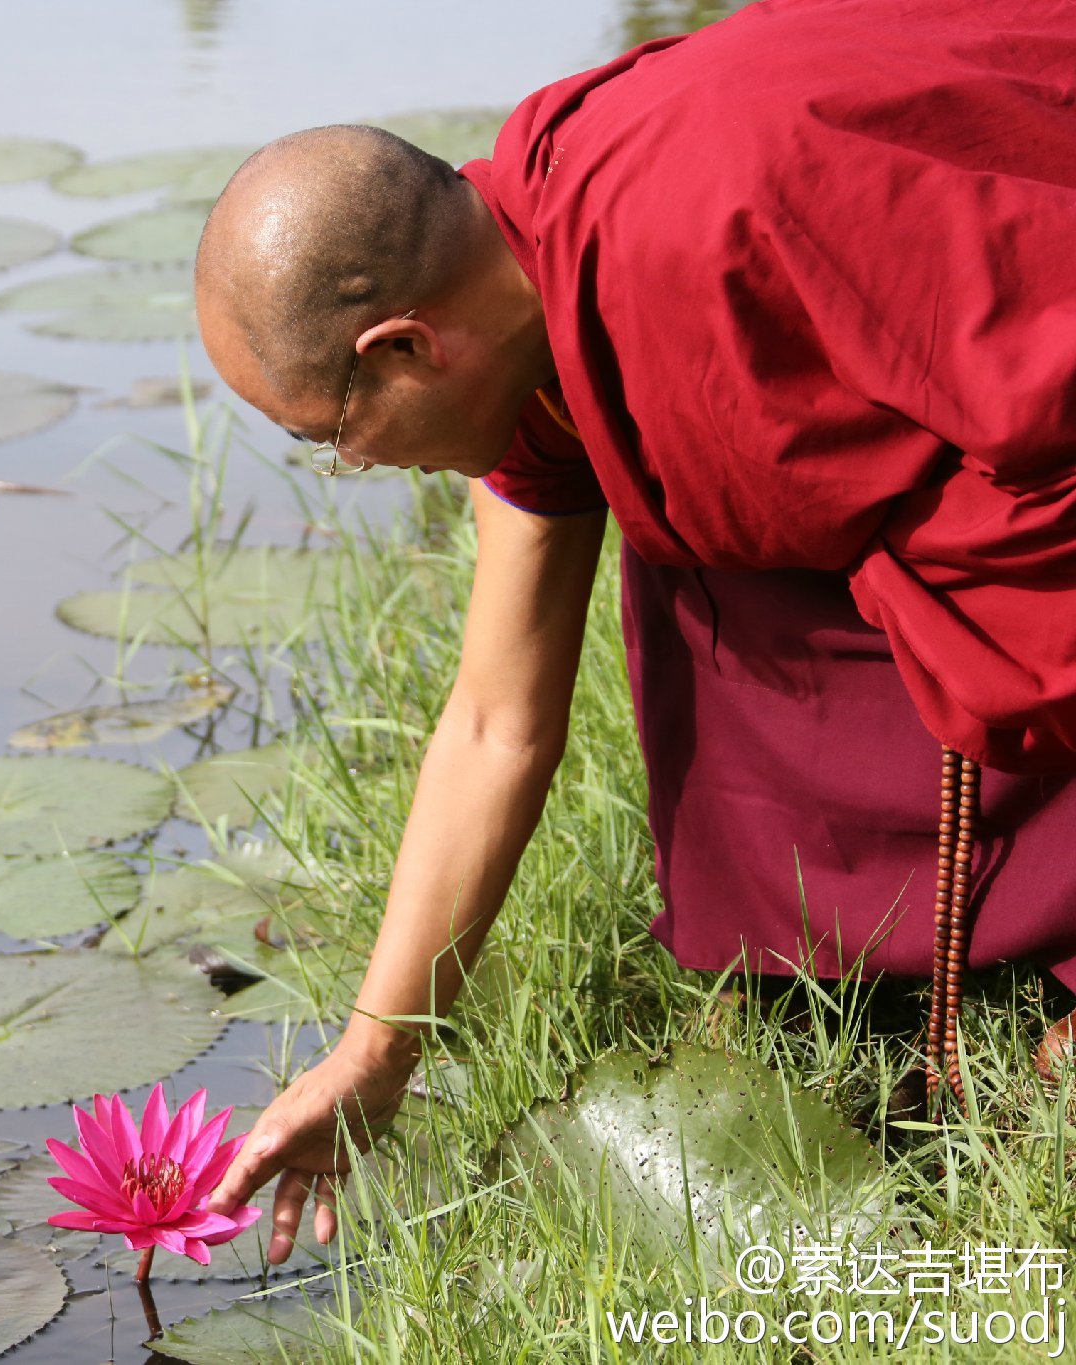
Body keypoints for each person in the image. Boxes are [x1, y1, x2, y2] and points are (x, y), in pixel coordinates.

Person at [192, 0, 1076, 1267]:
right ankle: (847, 994)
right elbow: (496, 721)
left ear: (404, 349)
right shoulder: (541, 300)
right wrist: (372, 1054)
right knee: (702, 583)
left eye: (330, 437)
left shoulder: (693, 225)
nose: (356, 465)